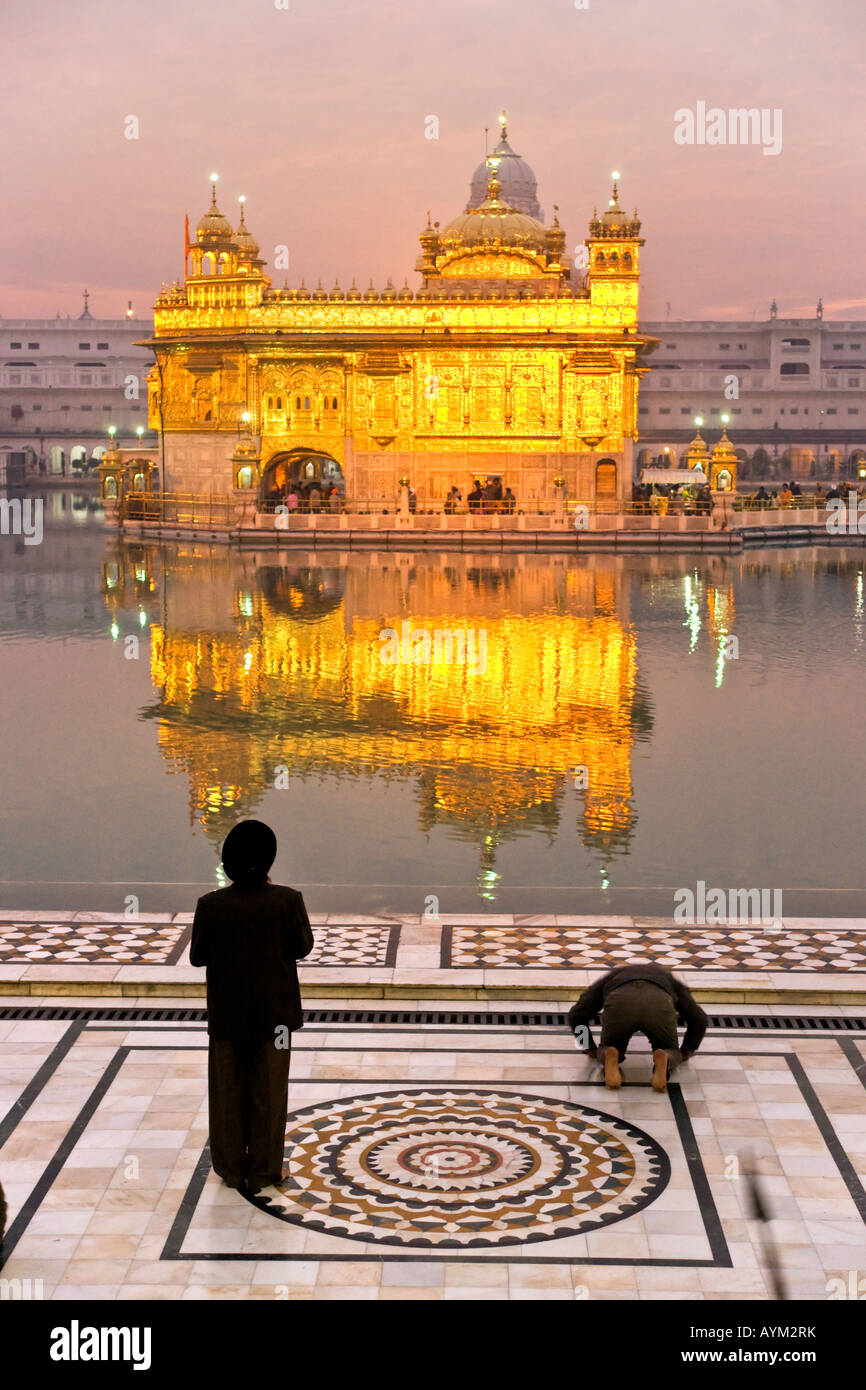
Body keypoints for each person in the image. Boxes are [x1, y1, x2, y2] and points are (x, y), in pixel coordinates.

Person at [190, 820, 314, 1193]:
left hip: (228, 1017)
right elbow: (302, 947)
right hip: (274, 1020)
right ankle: (264, 1170)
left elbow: (198, 958)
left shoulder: (211, 905)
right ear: (267, 860)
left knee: (228, 1092)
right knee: (270, 1093)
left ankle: (230, 1167)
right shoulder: (287, 901)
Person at [567, 961, 708, 1093]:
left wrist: (589, 1047)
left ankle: (609, 1054)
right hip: (659, 1001)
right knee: (670, 1050)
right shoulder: (667, 978)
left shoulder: (616, 974)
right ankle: (666, 1057)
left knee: (608, 1047)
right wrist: (687, 1050)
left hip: (620, 1000)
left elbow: (576, 1014)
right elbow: (699, 1019)